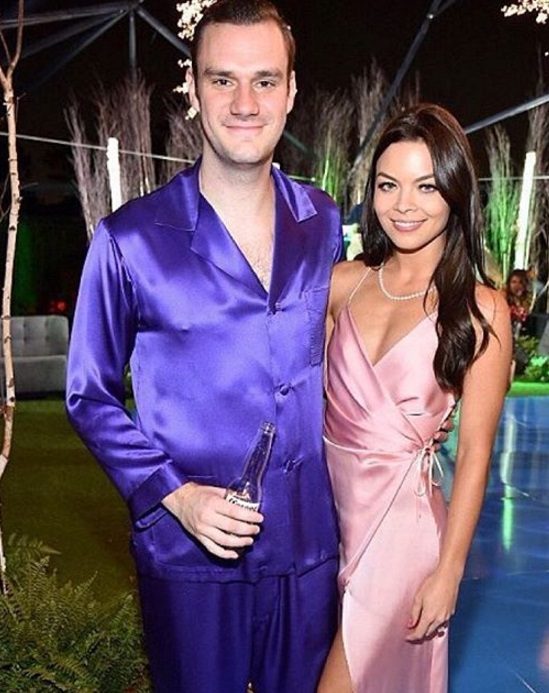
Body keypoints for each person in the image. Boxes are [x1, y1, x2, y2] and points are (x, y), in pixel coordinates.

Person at [66, 2, 343, 691]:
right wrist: (175, 495)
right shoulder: (127, 239)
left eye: (264, 80)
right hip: (190, 555)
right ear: (192, 89)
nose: (245, 103)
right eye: (223, 80)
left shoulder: (322, 220)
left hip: (310, 549)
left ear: (291, 91)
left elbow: (338, 349)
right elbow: (88, 393)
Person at [317, 104, 512, 692]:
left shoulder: (481, 310)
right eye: (388, 185)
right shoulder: (343, 284)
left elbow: (475, 453)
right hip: (330, 526)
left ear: (455, 192)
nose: (404, 204)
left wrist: (449, 570)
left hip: (404, 538)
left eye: (426, 186)